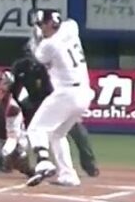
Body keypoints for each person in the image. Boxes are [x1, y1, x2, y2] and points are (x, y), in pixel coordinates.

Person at [24, 10, 96, 188]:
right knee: (57, 134)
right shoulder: (71, 27)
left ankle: (43, 162)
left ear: (50, 24)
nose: (41, 27)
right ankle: (68, 175)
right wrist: (41, 33)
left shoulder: (49, 45)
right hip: (84, 93)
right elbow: (65, 26)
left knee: (35, 129)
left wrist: (36, 39)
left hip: (66, 93)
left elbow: (39, 56)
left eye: (43, 24)